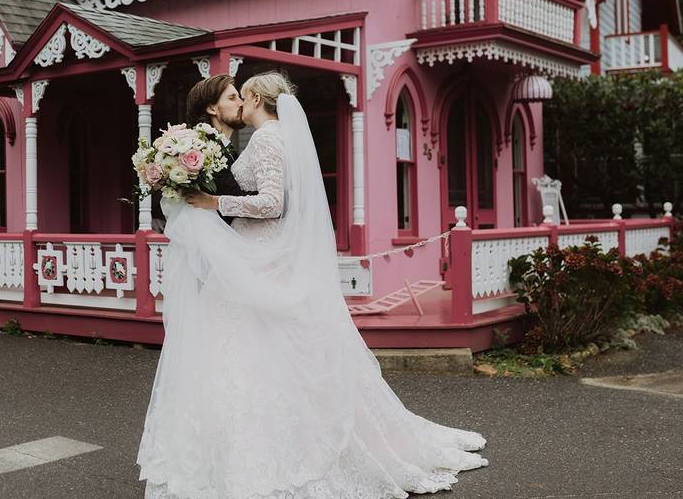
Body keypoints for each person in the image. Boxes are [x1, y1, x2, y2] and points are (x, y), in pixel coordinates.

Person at [138, 72, 488, 499]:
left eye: (242, 96)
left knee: (252, 350)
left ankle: (271, 449)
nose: (240, 103)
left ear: (254, 99)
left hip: (259, 255)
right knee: (256, 350)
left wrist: (215, 203)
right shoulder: (269, 138)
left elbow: (273, 202)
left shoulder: (267, 139)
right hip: (252, 254)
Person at [184, 76, 253, 219]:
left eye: (239, 97)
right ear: (211, 108)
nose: (241, 103)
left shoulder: (227, 148)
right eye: (232, 98)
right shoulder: (205, 152)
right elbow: (235, 196)